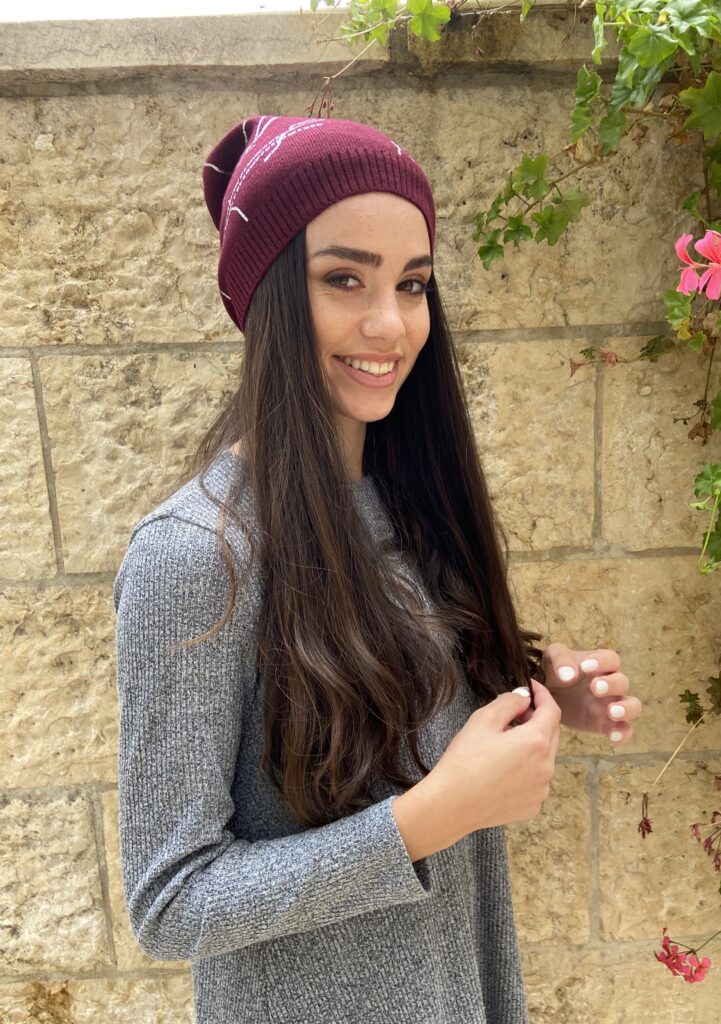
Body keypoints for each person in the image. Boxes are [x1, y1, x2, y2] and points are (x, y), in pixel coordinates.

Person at [113, 114, 642, 1024]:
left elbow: (397, 722)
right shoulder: (195, 555)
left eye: (413, 283)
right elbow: (172, 902)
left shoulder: (413, 508)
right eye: (344, 278)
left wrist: (527, 691)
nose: (390, 322)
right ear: (270, 295)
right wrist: (430, 818)